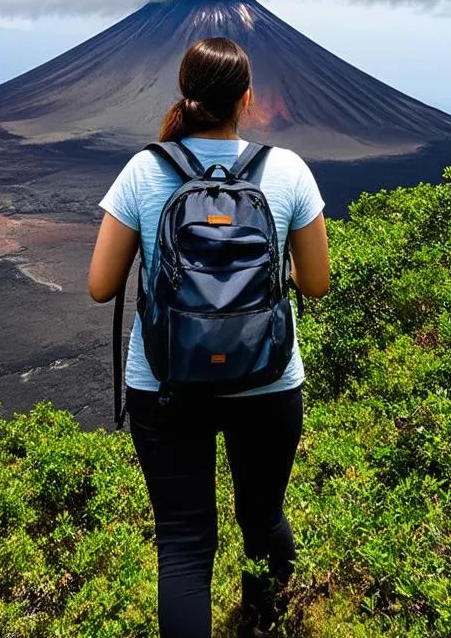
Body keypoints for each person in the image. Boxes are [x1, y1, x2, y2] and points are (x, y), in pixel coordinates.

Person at [88, 36, 330, 638]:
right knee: (263, 518)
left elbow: (100, 286)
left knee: (185, 543)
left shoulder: (145, 170)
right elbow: (317, 283)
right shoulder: (288, 169)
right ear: (248, 99)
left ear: (185, 94)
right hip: (268, 383)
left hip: (165, 386)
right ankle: (265, 625)